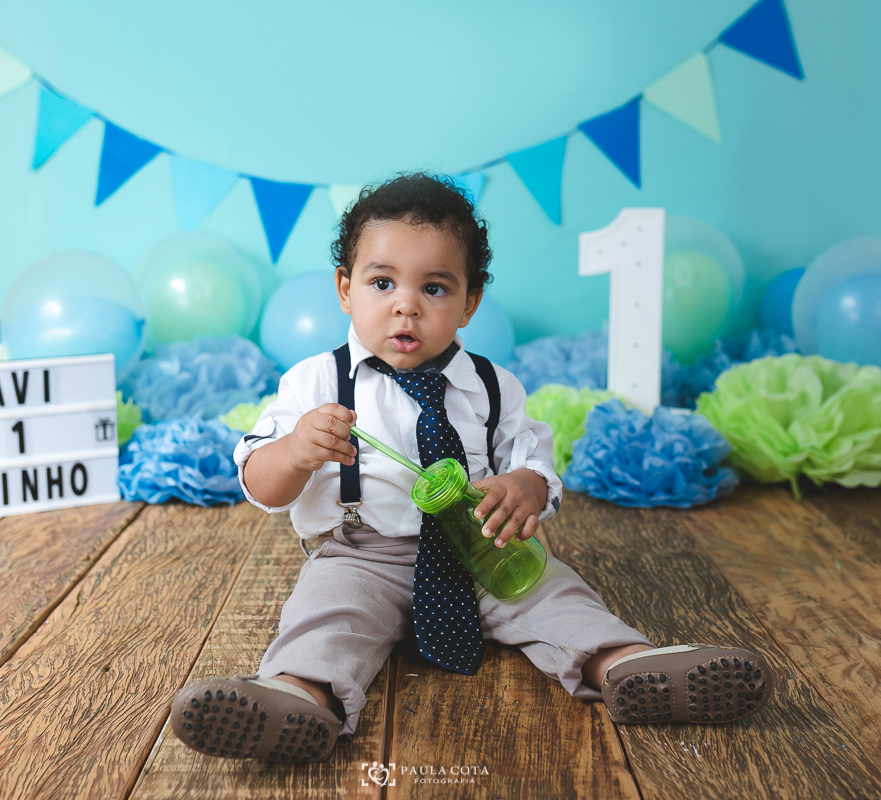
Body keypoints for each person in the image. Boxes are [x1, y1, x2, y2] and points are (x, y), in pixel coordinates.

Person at [169, 173, 770, 762]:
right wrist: (295, 451)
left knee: (557, 596)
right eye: (382, 282)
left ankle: (625, 665)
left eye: (434, 288)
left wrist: (524, 487)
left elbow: (533, 460)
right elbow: (260, 482)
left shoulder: (493, 385)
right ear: (345, 289)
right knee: (326, 614)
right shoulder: (315, 382)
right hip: (361, 555)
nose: (406, 305)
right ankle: (300, 695)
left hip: (484, 554)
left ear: (469, 303)